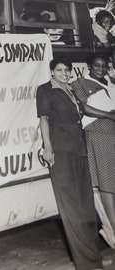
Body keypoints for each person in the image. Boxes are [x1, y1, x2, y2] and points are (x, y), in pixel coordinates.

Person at [36, 56, 115, 270]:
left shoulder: (71, 90)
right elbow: (44, 119)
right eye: (59, 70)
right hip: (61, 151)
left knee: (87, 207)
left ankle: (94, 258)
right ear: (52, 72)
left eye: (67, 70)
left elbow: (84, 112)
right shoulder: (45, 90)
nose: (64, 73)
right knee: (72, 209)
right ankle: (86, 264)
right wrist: (48, 147)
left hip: (80, 149)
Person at [71, 54, 115, 249]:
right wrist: (109, 115)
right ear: (89, 66)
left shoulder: (110, 83)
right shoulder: (80, 83)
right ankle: (113, 229)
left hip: (112, 132)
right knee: (106, 182)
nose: (100, 69)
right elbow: (83, 108)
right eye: (97, 65)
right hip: (98, 133)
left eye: (104, 66)